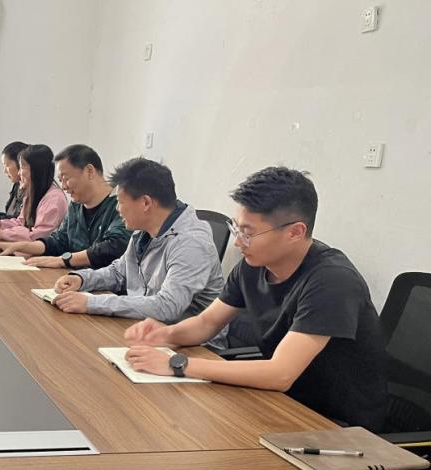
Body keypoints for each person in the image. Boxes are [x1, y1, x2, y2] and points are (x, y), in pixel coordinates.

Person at [123, 166, 387, 431]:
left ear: (295, 232)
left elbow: (280, 374)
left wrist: (177, 364)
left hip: (336, 426)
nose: (238, 243)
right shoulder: (254, 265)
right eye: (236, 229)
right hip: (278, 402)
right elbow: (207, 323)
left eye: (248, 233)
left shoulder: (332, 281)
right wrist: (166, 334)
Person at [52, 158, 223, 323]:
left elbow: (167, 306)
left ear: (145, 203)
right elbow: (119, 273)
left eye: (120, 202)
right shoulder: (144, 231)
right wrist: (82, 279)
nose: (117, 209)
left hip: (186, 338)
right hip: (145, 325)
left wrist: (91, 303)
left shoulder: (191, 243)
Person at [0, 144, 130, 270]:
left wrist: (63, 260)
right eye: (61, 180)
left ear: (89, 171)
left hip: (102, 286)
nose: (63, 187)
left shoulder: (121, 205)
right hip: (72, 279)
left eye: (66, 178)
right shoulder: (76, 206)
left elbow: (112, 247)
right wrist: (19, 246)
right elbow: (59, 240)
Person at [0, 144, 67, 241]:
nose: (19, 173)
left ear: (35, 170)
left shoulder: (54, 198)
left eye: (22, 168)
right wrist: (0, 224)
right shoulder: (32, 192)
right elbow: (21, 222)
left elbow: (38, 236)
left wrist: (4, 234)